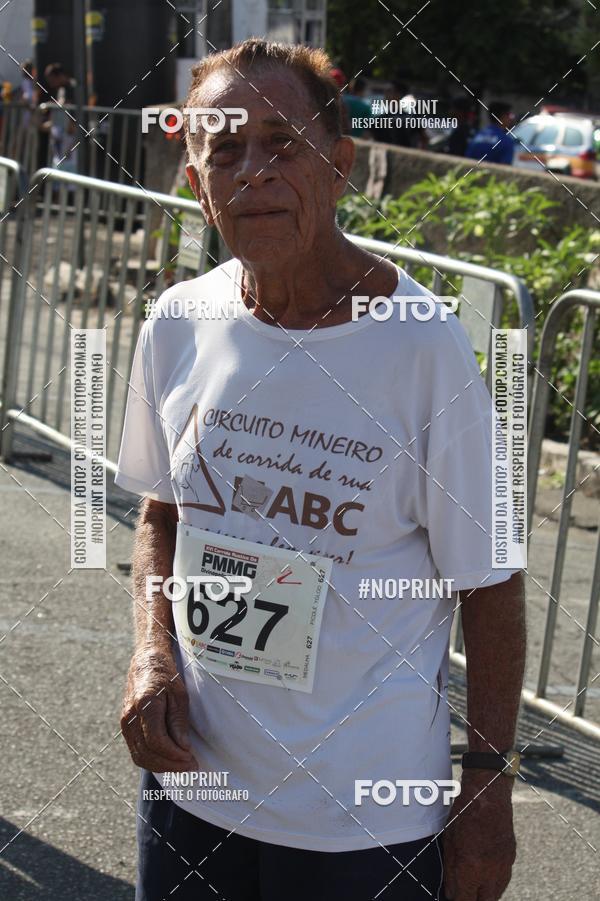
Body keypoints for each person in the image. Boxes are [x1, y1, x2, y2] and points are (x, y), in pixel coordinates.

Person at [116, 39, 525, 901]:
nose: (252, 172)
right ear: (195, 183)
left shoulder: (423, 348)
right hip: (193, 787)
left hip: (359, 826)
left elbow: (490, 583)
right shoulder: (177, 323)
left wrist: (487, 788)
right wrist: (150, 652)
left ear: (339, 166)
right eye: (223, 150)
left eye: (282, 144)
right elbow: (162, 512)